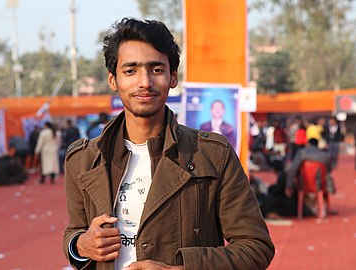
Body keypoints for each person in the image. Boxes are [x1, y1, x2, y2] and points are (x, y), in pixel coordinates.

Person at [63, 18, 274, 270]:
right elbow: (76, 233)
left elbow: (256, 247)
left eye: (156, 69)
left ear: (173, 77)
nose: (144, 82)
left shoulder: (211, 154)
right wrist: (80, 246)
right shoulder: (83, 160)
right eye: (130, 71)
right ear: (113, 80)